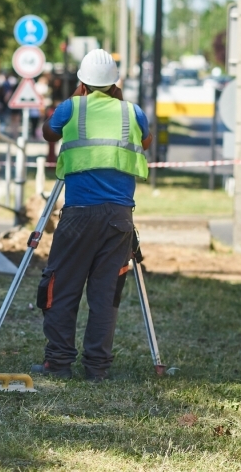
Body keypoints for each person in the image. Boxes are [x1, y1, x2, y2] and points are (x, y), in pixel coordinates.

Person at [32, 49, 152, 383]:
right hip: (119, 218)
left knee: (62, 286)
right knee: (104, 294)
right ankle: (97, 368)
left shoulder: (72, 107)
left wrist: (74, 100)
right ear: (115, 83)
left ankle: (58, 362)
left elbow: (48, 133)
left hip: (80, 214)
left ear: (82, 82)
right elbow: (147, 140)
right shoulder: (133, 112)